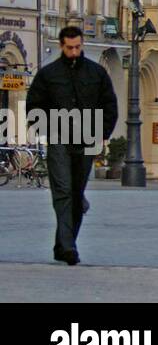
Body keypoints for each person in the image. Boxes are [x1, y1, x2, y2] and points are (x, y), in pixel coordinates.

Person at [25, 26, 118, 266]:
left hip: (87, 140)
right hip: (59, 139)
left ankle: (62, 244)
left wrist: (102, 134)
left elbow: (109, 105)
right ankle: (68, 247)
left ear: (82, 44)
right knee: (63, 191)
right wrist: (47, 130)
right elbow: (33, 106)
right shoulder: (48, 74)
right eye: (69, 48)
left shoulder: (97, 73)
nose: (74, 52)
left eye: (77, 47)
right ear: (61, 46)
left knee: (75, 194)